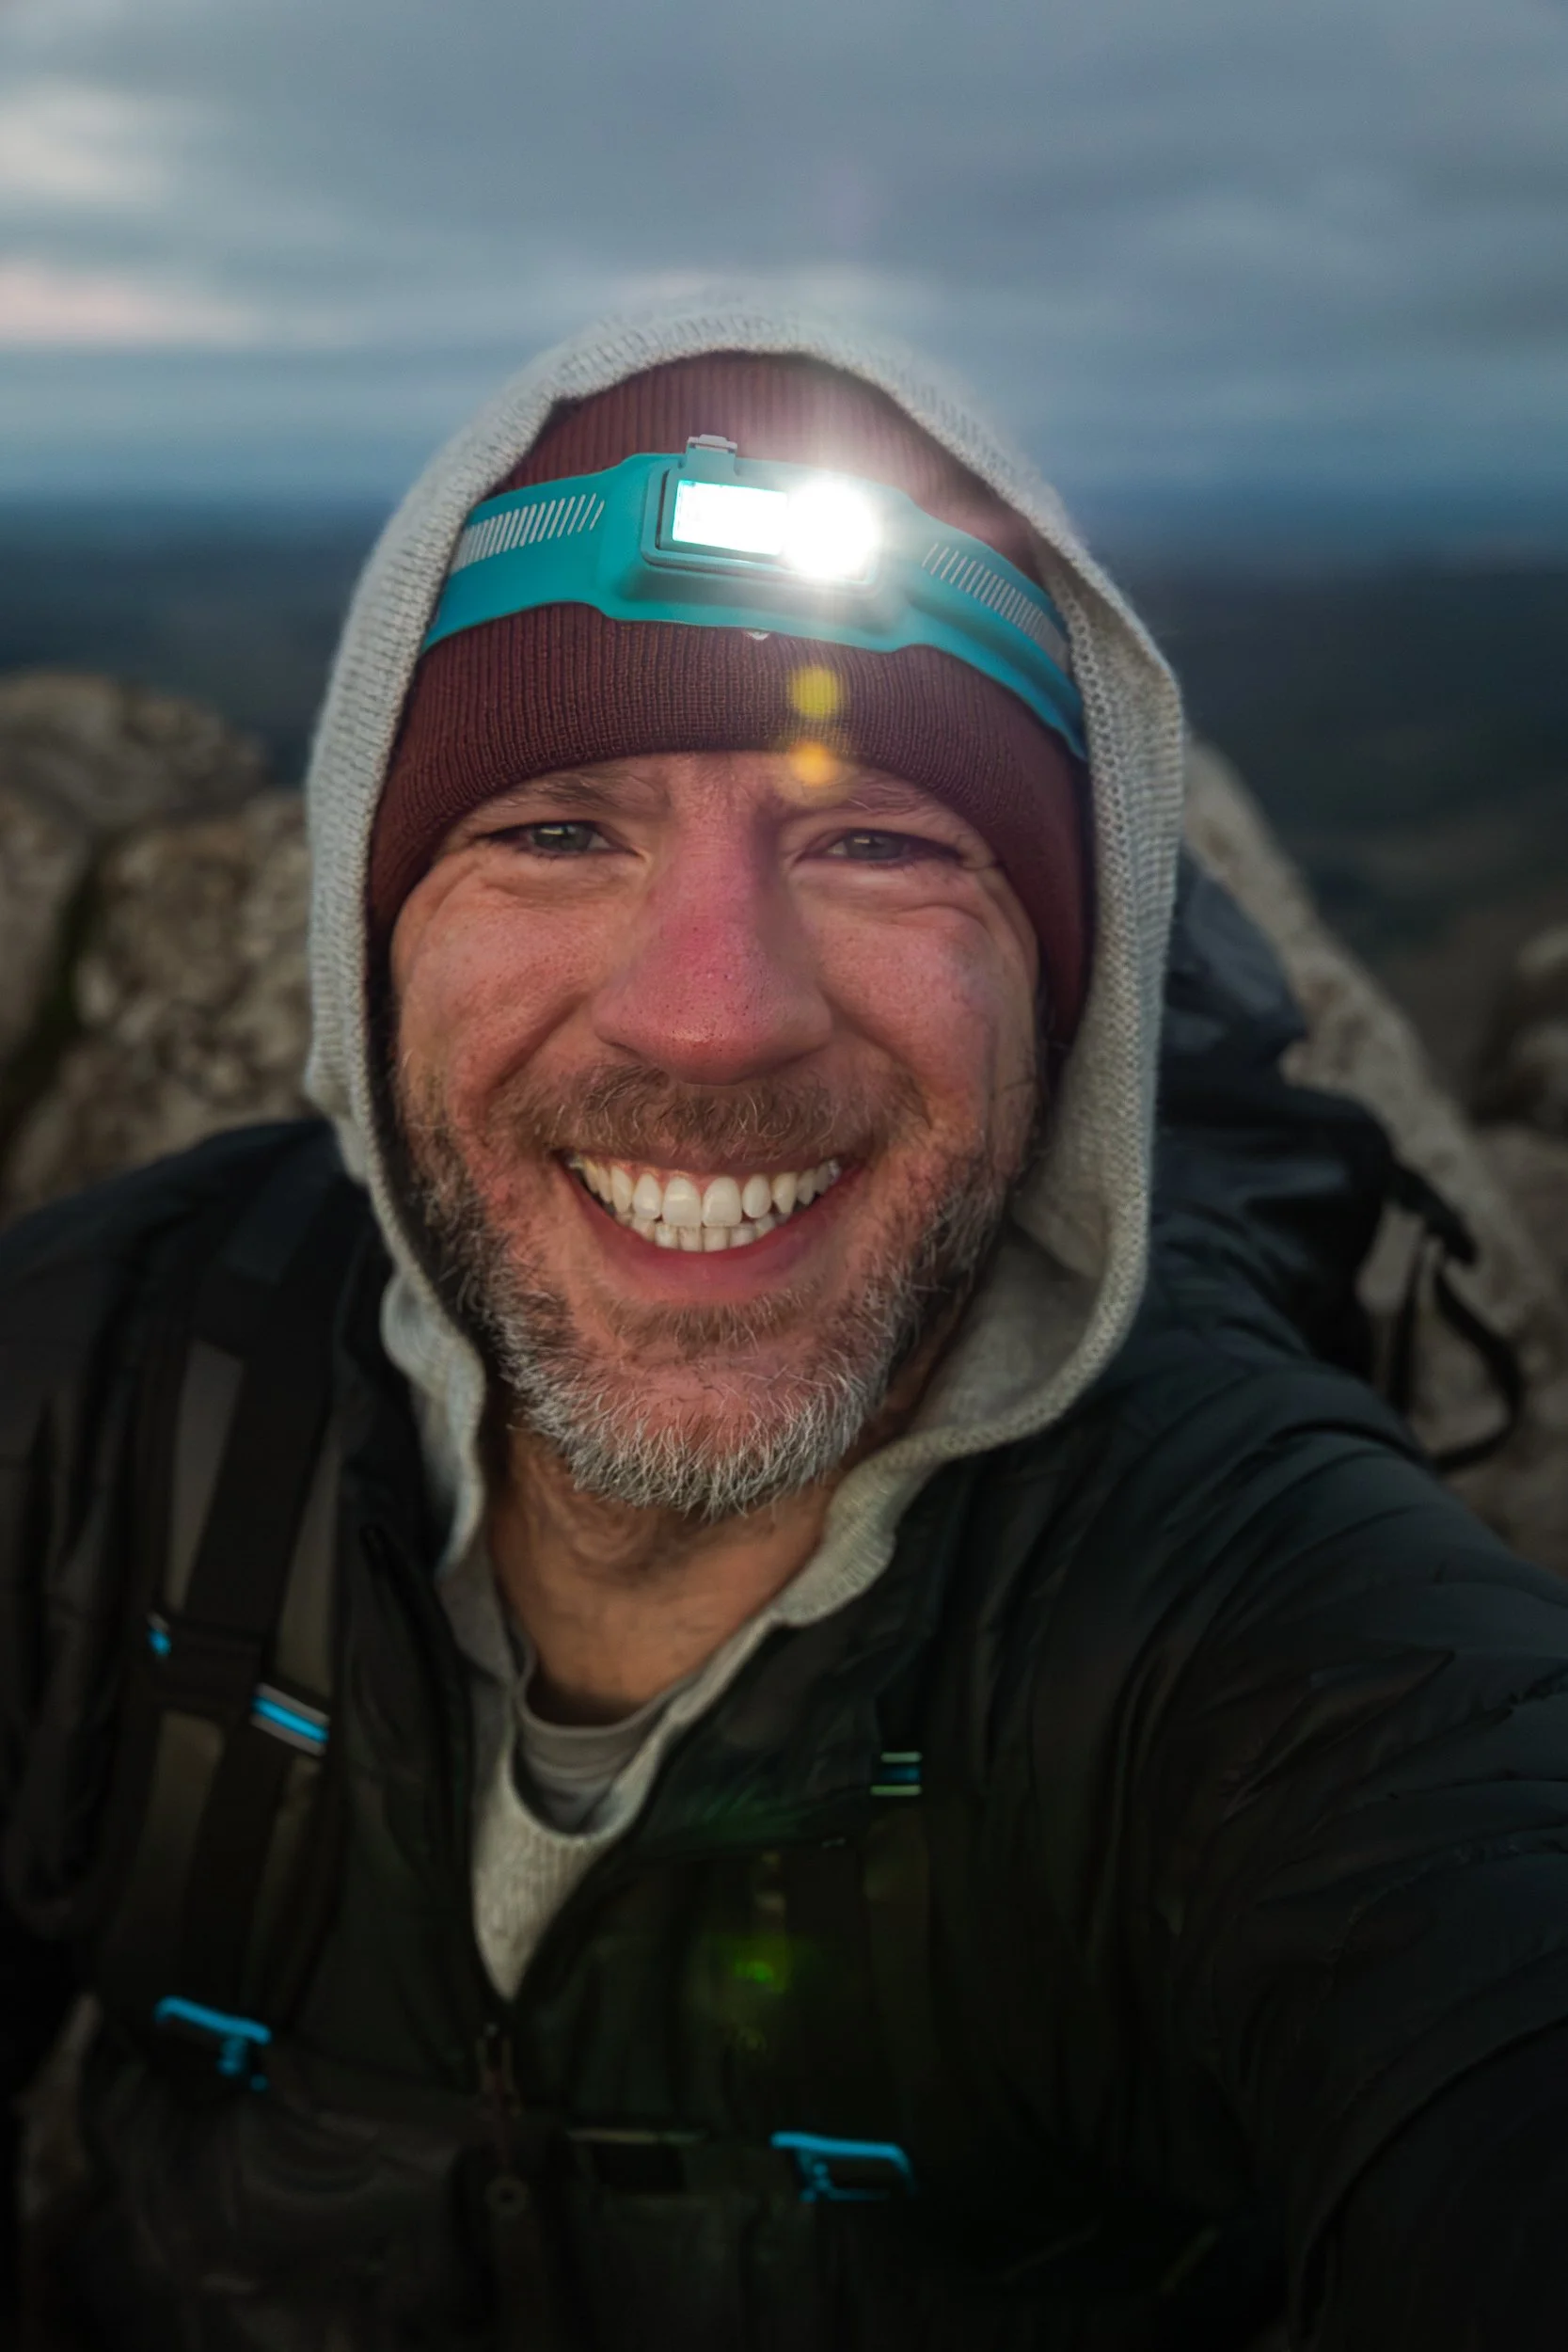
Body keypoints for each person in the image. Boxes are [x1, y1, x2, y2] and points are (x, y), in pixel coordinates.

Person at [2, 303, 1566, 2352]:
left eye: (877, 841)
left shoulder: (1258, 1616)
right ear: (368, 951)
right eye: (558, 829)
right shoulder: (91, 1387)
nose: (710, 1009)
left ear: (1056, 1008)